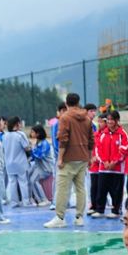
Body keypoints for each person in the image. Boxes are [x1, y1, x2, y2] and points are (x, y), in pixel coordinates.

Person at [44, 93, 94, 228]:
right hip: (83, 158)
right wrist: (90, 157)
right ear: (78, 103)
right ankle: (79, 217)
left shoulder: (65, 118)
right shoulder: (87, 119)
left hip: (68, 159)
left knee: (62, 189)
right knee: (80, 188)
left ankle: (60, 217)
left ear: (66, 104)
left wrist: (60, 158)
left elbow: (63, 140)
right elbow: (91, 140)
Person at [91, 111, 128, 219]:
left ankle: (116, 210)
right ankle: (100, 209)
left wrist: (114, 162)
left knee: (117, 190)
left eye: (112, 119)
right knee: (101, 189)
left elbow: (124, 150)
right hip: (104, 168)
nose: (110, 122)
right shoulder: (103, 134)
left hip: (117, 169)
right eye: (108, 120)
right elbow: (98, 149)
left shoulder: (123, 134)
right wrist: (104, 162)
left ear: (117, 120)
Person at [2, 116, 32, 207]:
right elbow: (26, 147)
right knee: (23, 182)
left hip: (9, 163)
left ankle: (14, 202)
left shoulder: (5, 136)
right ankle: (26, 202)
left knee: (12, 183)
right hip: (20, 163)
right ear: (17, 124)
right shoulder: (20, 134)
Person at [49, 102, 68, 209]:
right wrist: (60, 156)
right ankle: (55, 202)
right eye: (63, 111)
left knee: (67, 180)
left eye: (67, 110)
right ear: (59, 112)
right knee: (57, 179)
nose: (65, 113)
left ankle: (66, 201)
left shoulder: (69, 123)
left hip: (68, 157)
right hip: (59, 157)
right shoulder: (56, 124)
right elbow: (56, 143)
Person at [28, 124, 52, 206]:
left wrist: (31, 148)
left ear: (37, 134)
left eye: (32, 132)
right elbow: (34, 156)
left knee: (33, 180)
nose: (31, 134)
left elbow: (39, 155)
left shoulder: (45, 143)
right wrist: (30, 158)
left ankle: (43, 199)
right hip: (38, 165)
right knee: (28, 176)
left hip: (44, 167)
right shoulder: (37, 141)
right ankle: (34, 198)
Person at [86, 110, 105, 215]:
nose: (99, 124)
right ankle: (94, 205)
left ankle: (102, 206)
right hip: (94, 165)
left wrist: (99, 158)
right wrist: (90, 158)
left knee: (103, 187)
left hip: (104, 165)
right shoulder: (94, 135)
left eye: (102, 121)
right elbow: (90, 147)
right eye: (99, 121)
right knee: (94, 186)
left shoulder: (108, 135)